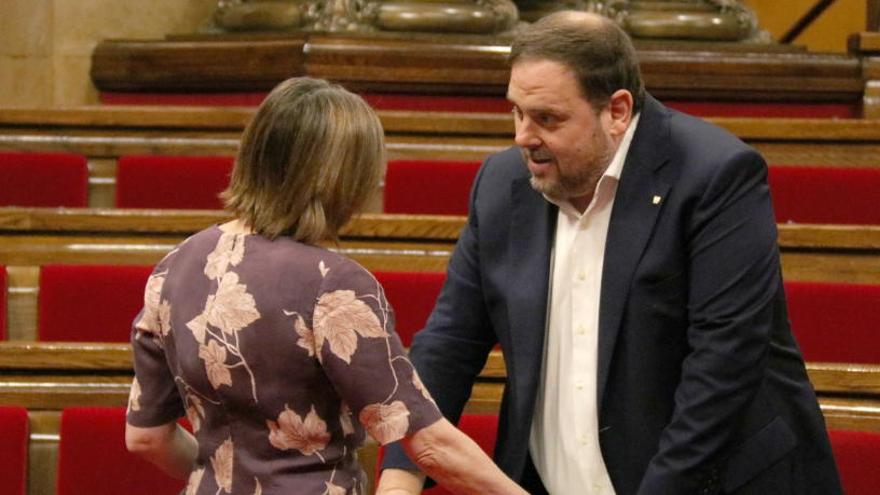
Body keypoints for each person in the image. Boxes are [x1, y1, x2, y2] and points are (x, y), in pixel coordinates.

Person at [380, 11, 842, 495]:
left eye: (547, 118)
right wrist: (400, 475)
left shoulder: (715, 176)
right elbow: (449, 343)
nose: (522, 136)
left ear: (617, 111)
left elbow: (722, 369)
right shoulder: (503, 186)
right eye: (516, 112)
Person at [124, 77, 527, 495]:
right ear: (343, 180)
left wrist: (227, 477)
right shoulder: (333, 286)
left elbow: (146, 437)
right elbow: (427, 445)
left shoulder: (172, 268)